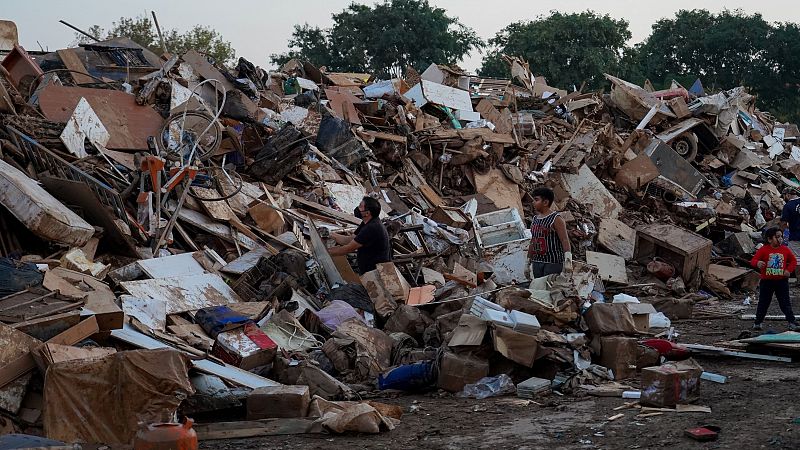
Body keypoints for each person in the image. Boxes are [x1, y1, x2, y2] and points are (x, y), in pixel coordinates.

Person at [750, 227, 798, 331]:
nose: (780, 239)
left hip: (781, 281)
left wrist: (788, 270)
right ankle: (758, 322)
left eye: (781, 237)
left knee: (785, 302)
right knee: (763, 302)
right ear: (769, 239)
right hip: (767, 281)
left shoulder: (785, 250)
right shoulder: (764, 250)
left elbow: (793, 261)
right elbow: (753, 260)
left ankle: (792, 322)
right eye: (777, 237)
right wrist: (758, 263)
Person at [328, 196, 391, 275]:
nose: (357, 208)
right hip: (369, 269)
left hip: (376, 273)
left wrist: (326, 253)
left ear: (367, 213)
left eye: (360, 206)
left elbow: (348, 248)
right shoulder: (367, 222)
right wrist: (330, 234)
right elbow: (349, 240)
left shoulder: (371, 228)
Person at [527, 187, 572, 279]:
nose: (533, 202)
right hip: (537, 261)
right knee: (538, 288)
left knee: (549, 289)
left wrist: (568, 259)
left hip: (553, 262)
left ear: (545, 202)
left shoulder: (556, 219)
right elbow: (533, 240)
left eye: (536, 200)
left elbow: (564, 239)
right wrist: (528, 261)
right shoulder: (535, 219)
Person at [780, 189, 800, 284]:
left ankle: (799, 280)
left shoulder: (788, 206)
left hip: (795, 235)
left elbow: (784, 223)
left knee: (797, 258)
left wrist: (781, 235)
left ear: (787, 195)